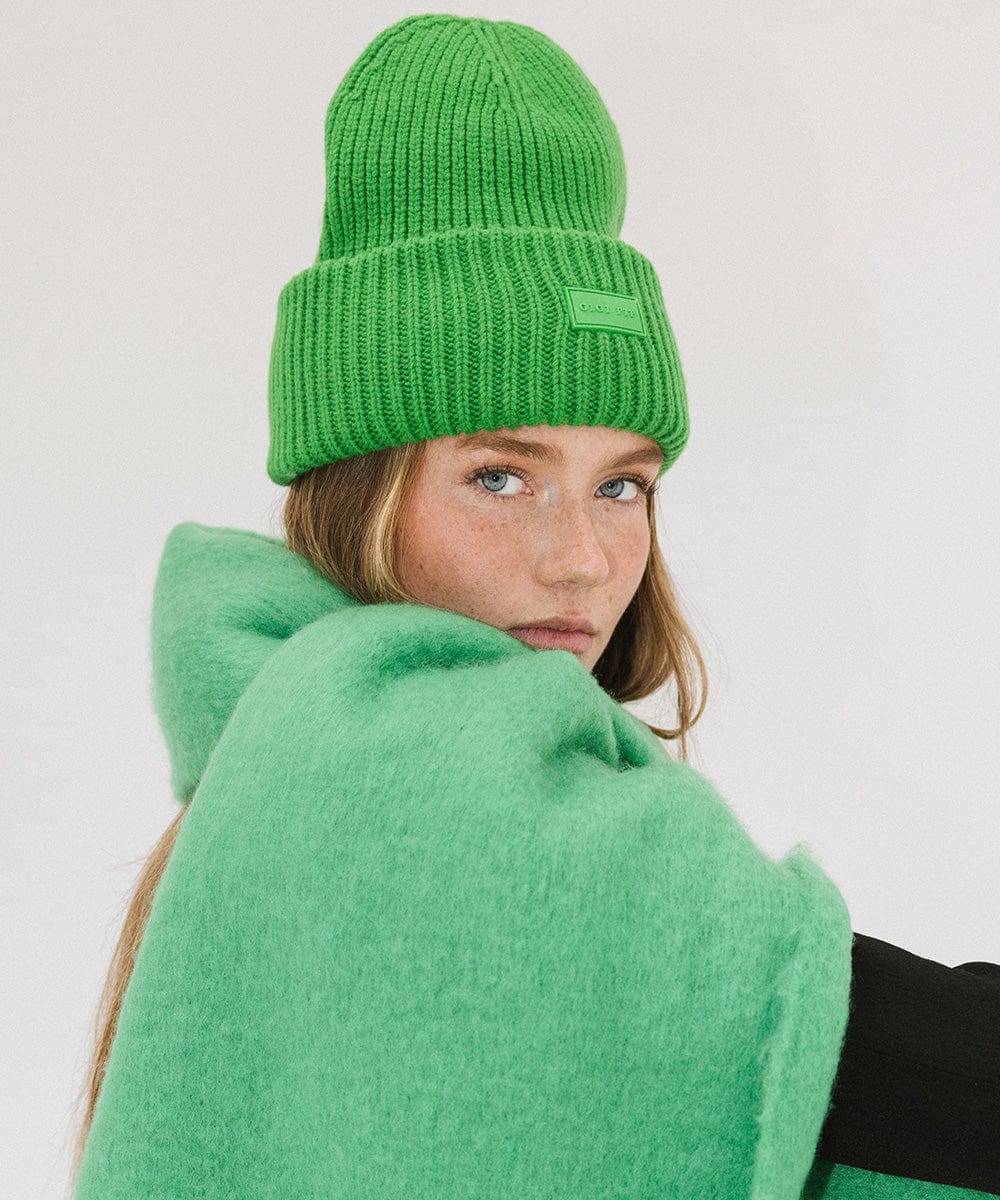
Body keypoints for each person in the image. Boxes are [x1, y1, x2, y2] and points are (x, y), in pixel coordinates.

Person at [70, 13, 999, 1199]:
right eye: (498, 476)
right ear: (363, 490)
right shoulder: (384, 775)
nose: (580, 559)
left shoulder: (283, 767)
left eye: (621, 486)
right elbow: (926, 1075)